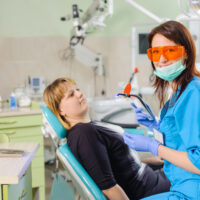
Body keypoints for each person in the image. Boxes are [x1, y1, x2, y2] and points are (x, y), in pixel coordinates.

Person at [43, 77, 170, 200]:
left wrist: (151, 160)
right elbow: (109, 188)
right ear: (60, 110)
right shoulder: (84, 134)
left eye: (77, 89)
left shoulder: (89, 127)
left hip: (149, 179)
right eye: (71, 94)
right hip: (147, 189)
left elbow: (117, 167)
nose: (79, 94)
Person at [123, 20, 200, 200]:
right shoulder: (180, 92)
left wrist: (153, 147)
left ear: (186, 53)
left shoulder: (193, 93)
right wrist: (155, 126)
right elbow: (180, 139)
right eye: (156, 52)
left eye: (170, 51)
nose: (162, 59)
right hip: (181, 187)